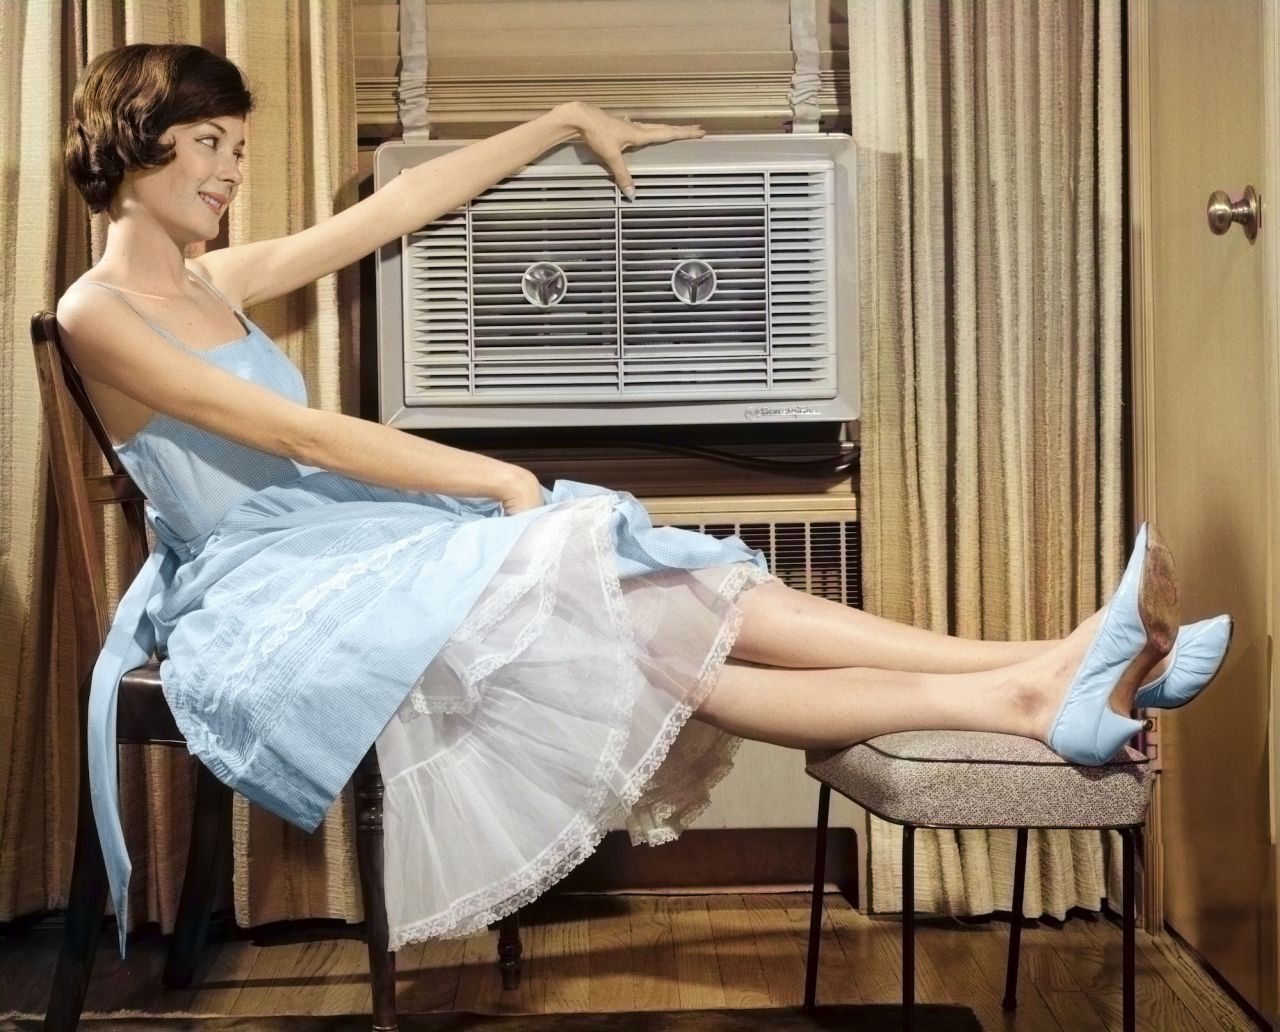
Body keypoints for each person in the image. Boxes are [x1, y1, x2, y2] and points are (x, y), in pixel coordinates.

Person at [57, 43, 1232, 957]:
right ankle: (1037, 685)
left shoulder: (216, 278)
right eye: (208, 144)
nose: (229, 171)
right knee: (640, 608)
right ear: (136, 143)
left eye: (237, 148)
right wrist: (491, 474)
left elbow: (388, 215)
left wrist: (561, 121)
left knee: (686, 588)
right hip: (268, 584)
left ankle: (1038, 673)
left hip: (354, 547)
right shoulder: (95, 311)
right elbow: (285, 430)